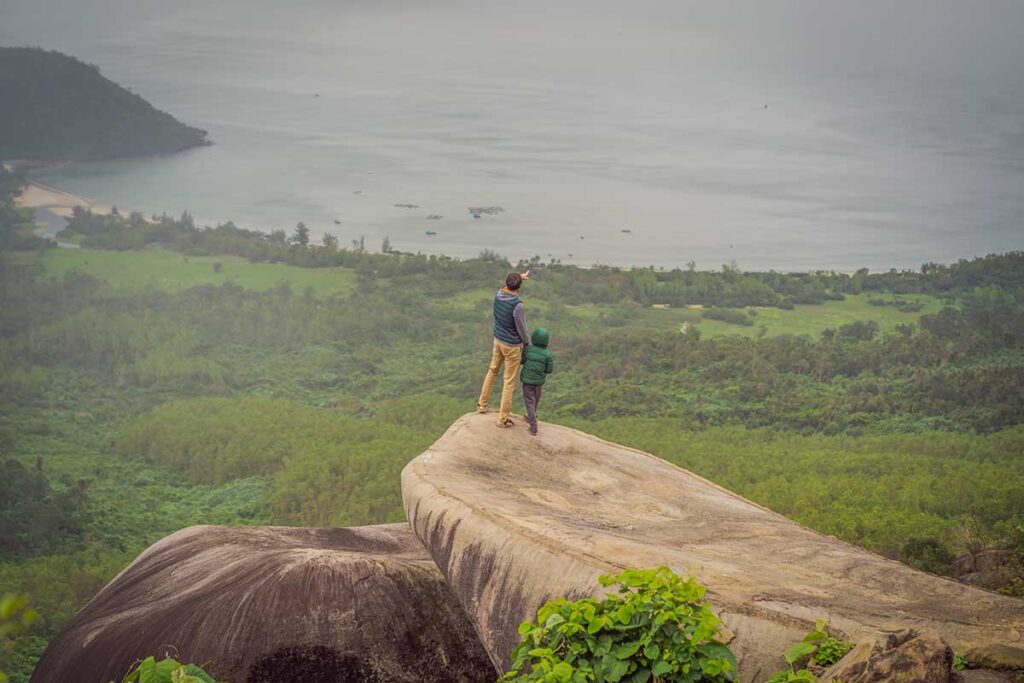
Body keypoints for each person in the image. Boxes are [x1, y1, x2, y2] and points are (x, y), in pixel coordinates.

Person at [477, 271, 530, 427]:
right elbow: (522, 328)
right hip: (512, 346)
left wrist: (519, 277)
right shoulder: (517, 305)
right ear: (518, 288)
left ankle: (482, 404)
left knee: (492, 370)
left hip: (498, 340)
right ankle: (502, 419)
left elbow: (508, 285)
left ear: (506, 284)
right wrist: (527, 343)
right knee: (509, 382)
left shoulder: (498, 294)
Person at [520, 327, 554, 436]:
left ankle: (533, 426)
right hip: (539, 383)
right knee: (535, 400)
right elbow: (549, 370)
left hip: (527, 381)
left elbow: (522, 361)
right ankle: (531, 417)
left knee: (529, 401)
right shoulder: (548, 355)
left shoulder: (528, 349)